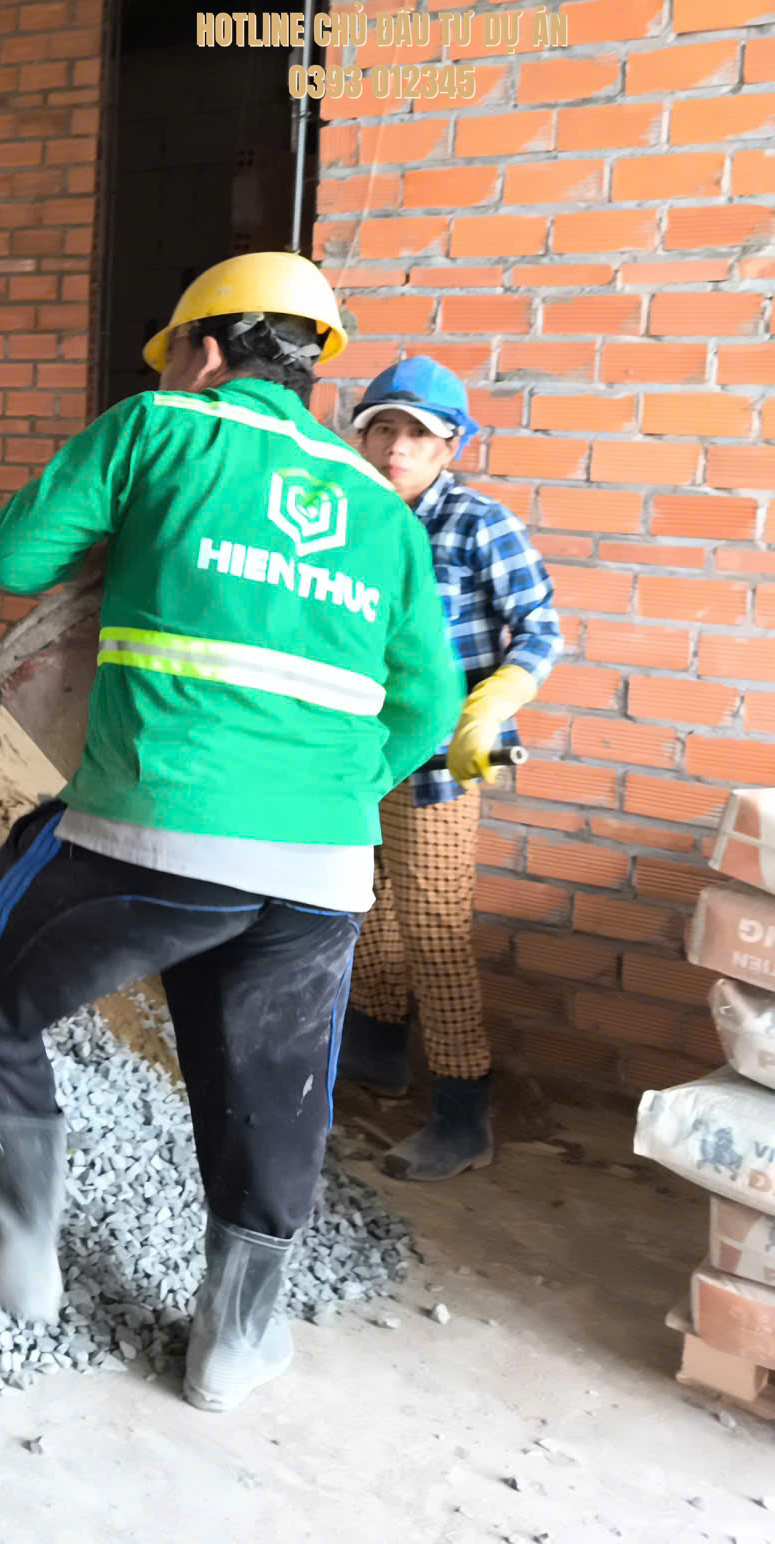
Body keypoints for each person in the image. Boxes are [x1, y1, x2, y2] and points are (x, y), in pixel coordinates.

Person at [0, 251, 462, 1415]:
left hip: (159, 828)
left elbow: (11, 558)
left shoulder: (157, 429)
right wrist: (334, 786)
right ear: (312, 373)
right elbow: (429, 705)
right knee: (267, 1088)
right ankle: (235, 1344)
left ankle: (13, 1246)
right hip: (322, 861)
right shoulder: (379, 509)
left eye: (175, 358)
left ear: (203, 352)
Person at [336, 356, 561, 1180]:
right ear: (361, 436)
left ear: (451, 445)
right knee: (359, 905)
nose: (397, 447)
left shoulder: (475, 523)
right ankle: (376, 1057)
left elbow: (540, 625)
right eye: (383, 429)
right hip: (360, 749)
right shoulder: (350, 515)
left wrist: (492, 704)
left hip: (443, 758)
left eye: (418, 434)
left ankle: (463, 1115)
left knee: (433, 930)